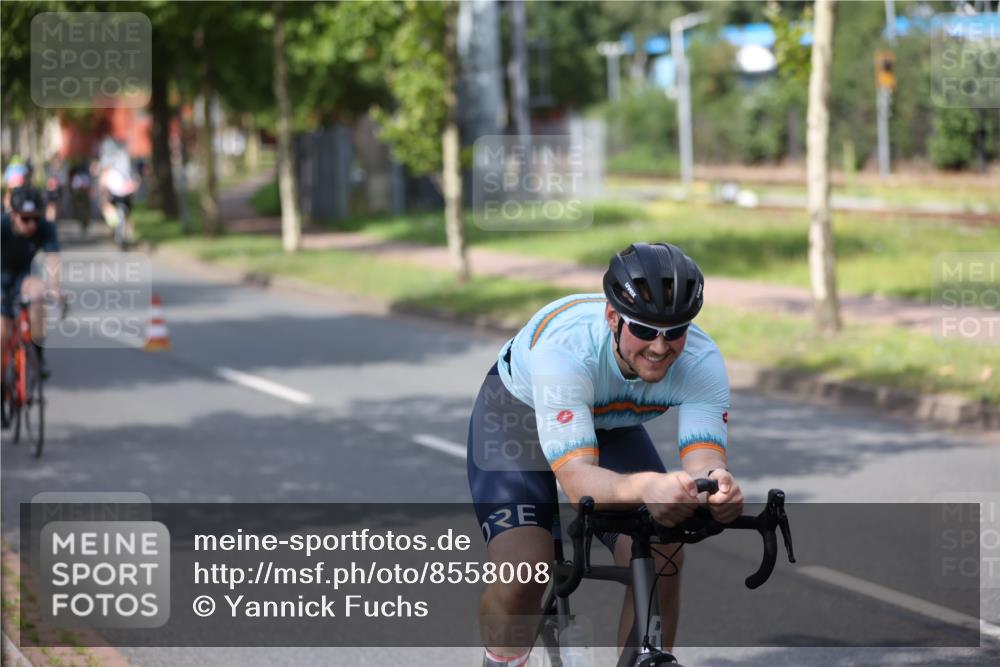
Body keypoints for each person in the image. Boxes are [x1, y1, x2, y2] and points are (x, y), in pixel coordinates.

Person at [467, 242, 743, 666]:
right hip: (515, 415)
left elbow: (704, 458)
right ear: (613, 317)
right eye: (645, 330)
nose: (660, 347)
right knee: (524, 569)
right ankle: (502, 658)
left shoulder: (701, 359)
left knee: (663, 553)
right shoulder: (565, 352)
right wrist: (650, 485)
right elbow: (579, 483)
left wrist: (715, 487)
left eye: (675, 331)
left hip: (606, 422)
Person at [1, 187, 61, 415]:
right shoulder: (2, 226)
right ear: (13, 215)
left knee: (38, 293)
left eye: (36, 218)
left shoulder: (45, 228)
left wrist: (55, 289)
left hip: (23, 276)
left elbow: (52, 259)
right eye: (25, 219)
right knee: (2, 331)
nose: (31, 224)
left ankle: (37, 354)